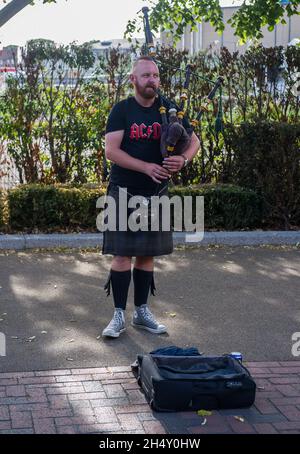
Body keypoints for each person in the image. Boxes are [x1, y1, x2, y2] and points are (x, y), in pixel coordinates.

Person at [101, 56, 200, 338]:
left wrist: (182, 159)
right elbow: (112, 151)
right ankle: (118, 314)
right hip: (124, 190)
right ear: (133, 79)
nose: (152, 81)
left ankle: (141, 312)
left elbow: (194, 142)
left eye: (155, 75)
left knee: (146, 255)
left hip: (156, 193)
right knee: (122, 255)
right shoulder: (122, 110)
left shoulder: (169, 109)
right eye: (145, 76)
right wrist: (145, 166)